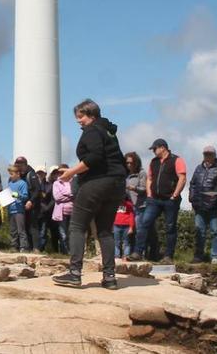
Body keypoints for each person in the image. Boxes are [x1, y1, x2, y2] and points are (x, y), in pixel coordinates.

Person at [53, 99, 127, 290]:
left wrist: (71, 172)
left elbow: (94, 157)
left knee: (77, 226)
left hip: (97, 182)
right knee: (105, 230)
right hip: (117, 184)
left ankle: (74, 274)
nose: (79, 121)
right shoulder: (108, 131)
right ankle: (110, 277)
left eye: (81, 116)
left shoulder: (92, 130)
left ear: (92, 115)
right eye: (77, 117)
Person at [133, 138, 186, 263]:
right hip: (154, 200)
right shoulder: (154, 162)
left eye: (155, 149)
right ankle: (138, 252)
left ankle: (168, 256)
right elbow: (149, 179)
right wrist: (150, 194)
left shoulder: (177, 160)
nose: (153, 151)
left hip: (170, 200)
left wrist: (175, 194)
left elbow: (182, 178)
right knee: (144, 223)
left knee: (170, 227)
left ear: (163, 148)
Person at [187, 146, 217, 264]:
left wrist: (215, 197)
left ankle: (215, 256)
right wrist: (191, 197)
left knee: (215, 231)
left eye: (209, 154)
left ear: (214, 155)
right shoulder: (198, 168)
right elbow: (192, 184)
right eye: (205, 154)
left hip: (214, 206)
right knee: (199, 231)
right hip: (199, 205)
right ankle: (198, 256)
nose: (207, 156)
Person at [124, 152, 156, 260]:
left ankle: (140, 253)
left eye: (131, 163)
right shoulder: (126, 176)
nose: (129, 165)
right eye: (127, 163)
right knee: (140, 230)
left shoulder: (141, 173)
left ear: (136, 162)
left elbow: (144, 189)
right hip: (133, 207)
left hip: (143, 205)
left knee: (141, 230)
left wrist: (133, 188)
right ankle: (143, 253)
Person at [5, 164, 32, 252]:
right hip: (11, 209)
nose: (11, 176)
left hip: (19, 210)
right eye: (10, 174)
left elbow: (25, 196)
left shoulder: (22, 183)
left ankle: (24, 246)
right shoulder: (9, 184)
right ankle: (14, 246)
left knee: (21, 229)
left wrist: (17, 195)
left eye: (12, 174)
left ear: (18, 174)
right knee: (13, 230)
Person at [52, 167, 73, 255]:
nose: (61, 174)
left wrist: (65, 194)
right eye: (59, 172)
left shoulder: (73, 182)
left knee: (72, 233)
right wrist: (69, 195)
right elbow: (57, 197)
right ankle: (65, 252)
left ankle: (73, 252)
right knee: (63, 234)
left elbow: (76, 193)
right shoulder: (56, 183)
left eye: (63, 172)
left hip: (73, 211)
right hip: (61, 213)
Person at [33, 167, 54, 251]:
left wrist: (47, 208)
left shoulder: (49, 185)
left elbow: (53, 199)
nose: (40, 175)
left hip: (45, 212)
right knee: (35, 230)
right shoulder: (33, 184)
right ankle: (36, 248)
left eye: (42, 173)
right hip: (35, 211)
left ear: (45, 174)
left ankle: (41, 248)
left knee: (43, 231)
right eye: (38, 173)